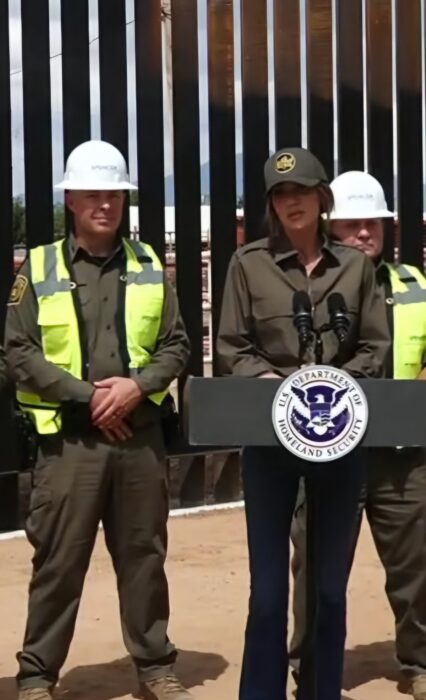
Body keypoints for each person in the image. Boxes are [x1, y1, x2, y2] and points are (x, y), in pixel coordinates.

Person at [5, 140, 192, 700]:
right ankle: (37, 675)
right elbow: (18, 352)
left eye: (113, 193)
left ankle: (155, 667)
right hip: (70, 445)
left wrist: (135, 388)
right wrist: (89, 398)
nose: (104, 203)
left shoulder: (148, 264)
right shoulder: (39, 267)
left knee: (143, 558)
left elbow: (177, 346)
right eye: (92, 194)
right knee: (59, 563)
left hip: (139, 440)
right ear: (71, 200)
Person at [216, 148, 390, 700]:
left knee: (328, 591)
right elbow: (231, 346)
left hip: (339, 437)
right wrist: (270, 380)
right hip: (270, 442)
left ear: (322, 198)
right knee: (268, 592)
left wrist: (334, 385)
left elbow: (376, 346)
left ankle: (321, 690)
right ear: (272, 204)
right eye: (281, 194)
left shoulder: (355, 267)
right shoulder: (248, 265)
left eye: (302, 192)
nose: (292, 202)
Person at [289, 171, 426, 700]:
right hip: (326, 454)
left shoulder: (413, 283)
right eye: (352, 225)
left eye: (373, 223)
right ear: (329, 228)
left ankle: (420, 664)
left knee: (414, 565)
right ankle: (313, 669)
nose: (364, 233)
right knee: (317, 570)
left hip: (398, 456)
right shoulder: (304, 286)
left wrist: (409, 407)